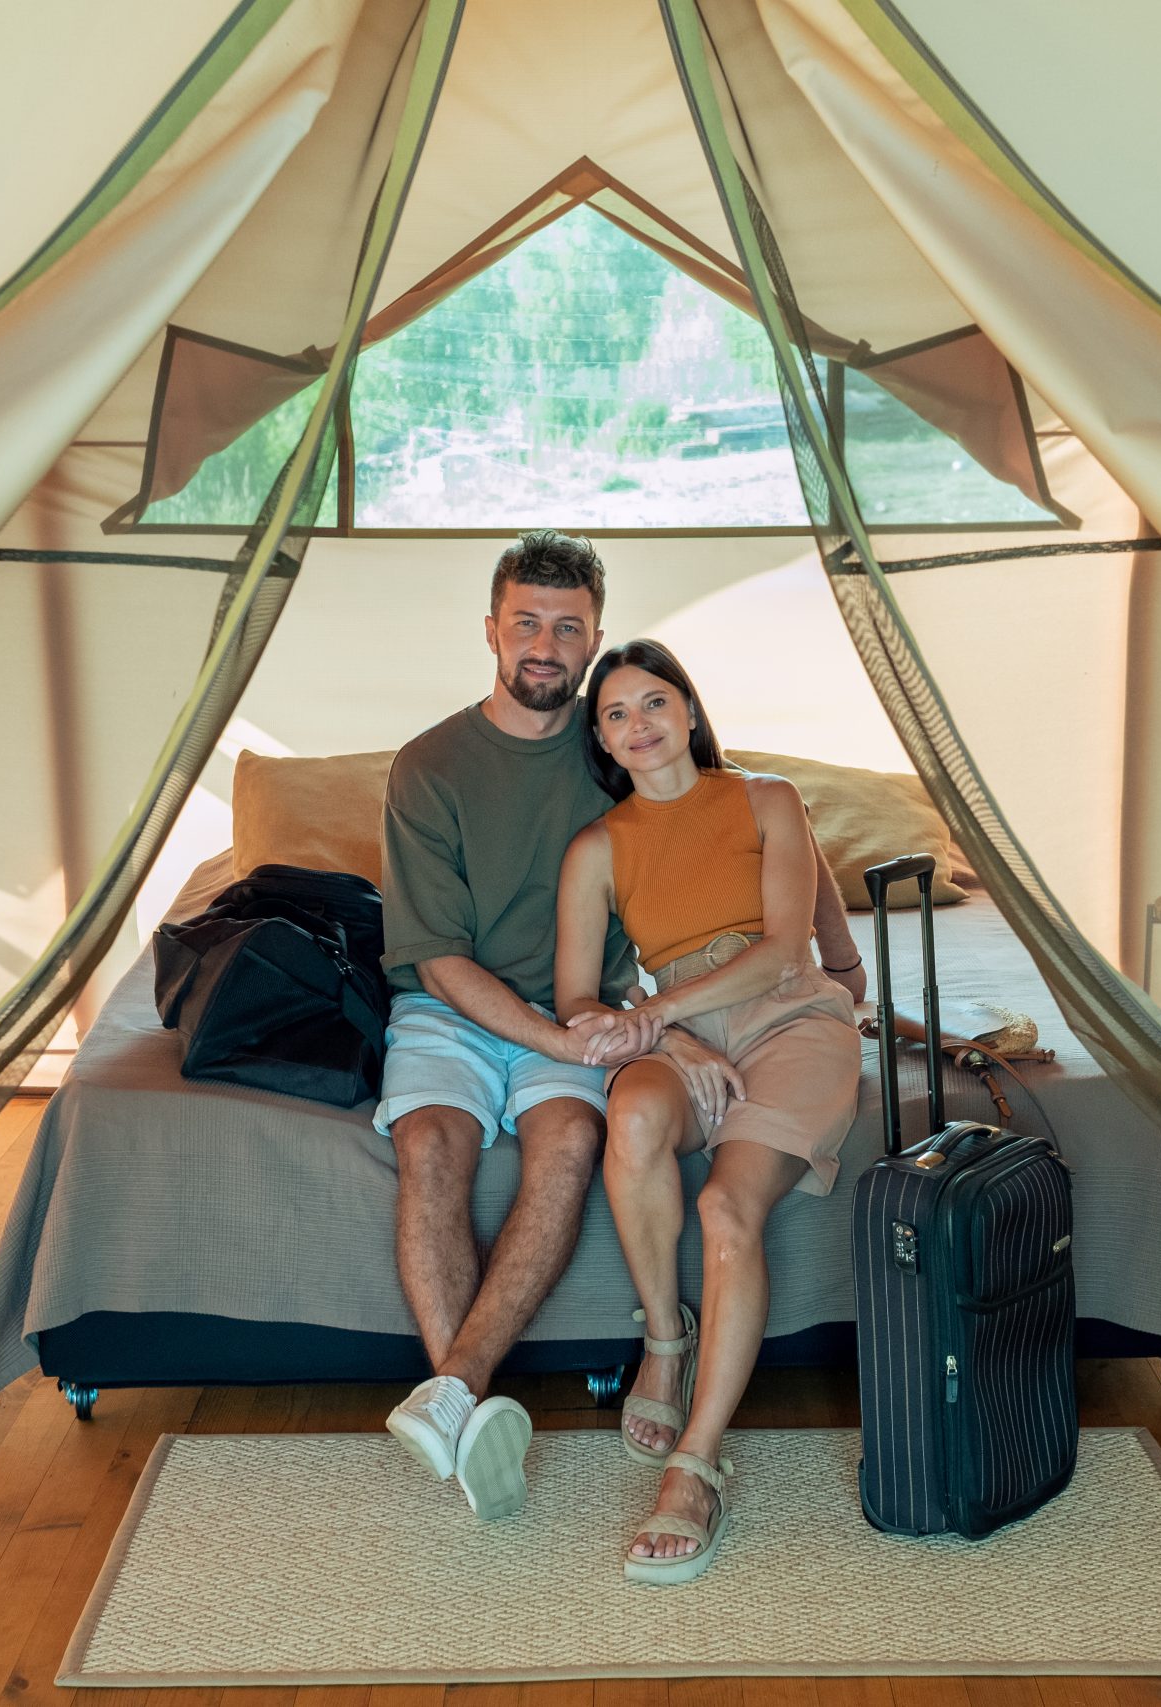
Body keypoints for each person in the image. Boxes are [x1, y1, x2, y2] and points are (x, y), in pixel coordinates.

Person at [554, 638, 867, 1584]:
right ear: (603, 741)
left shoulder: (766, 799)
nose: (639, 724)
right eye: (615, 713)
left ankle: (696, 1465)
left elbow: (784, 949)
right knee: (636, 1119)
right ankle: (664, 1337)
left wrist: (657, 1012)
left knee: (726, 1210)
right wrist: (666, 1034)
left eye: (655, 701)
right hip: (683, 1026)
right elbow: (576, 999)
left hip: (790, 1018)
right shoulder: (597, 848)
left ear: (689, 710)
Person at [374, 529, 642, 1522]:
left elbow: (709, 843)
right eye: (525, 621)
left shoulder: (620, 752)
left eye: (566, 628)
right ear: (490, 630)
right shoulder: (428, 766)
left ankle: (451, 1396)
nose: (544, 643)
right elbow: (439, 959)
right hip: (453, 1006)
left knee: (568, 1140)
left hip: (578, 1007)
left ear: (594, 640)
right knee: (431, 1144)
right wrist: (560, 1044)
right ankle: (467, 1405)